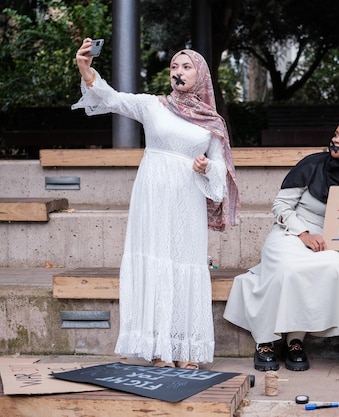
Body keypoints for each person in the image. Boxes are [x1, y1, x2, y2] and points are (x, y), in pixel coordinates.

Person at [73, 38, 240, 369]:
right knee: (156, 260)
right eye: (174, 66)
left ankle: (186, 348)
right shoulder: (154, 105)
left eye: (186, 66)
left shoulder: (213, 122)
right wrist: (85, 68)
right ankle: (160, 349)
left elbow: (221, 168)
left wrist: (208, 167)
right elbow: (113, 99)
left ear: (201, 75)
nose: (178, 71)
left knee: (184, 263)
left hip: (187, 196)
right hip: (152, 194)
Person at [223, 119, 339, 372]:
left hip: (332, 240)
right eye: (336, 134)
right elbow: (280, 207)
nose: (336, 140)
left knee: (335, 268)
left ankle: (296, 340)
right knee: (286, 269)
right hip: (291, 232)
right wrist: (303, 234)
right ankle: (266, 341)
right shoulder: (313, 165)